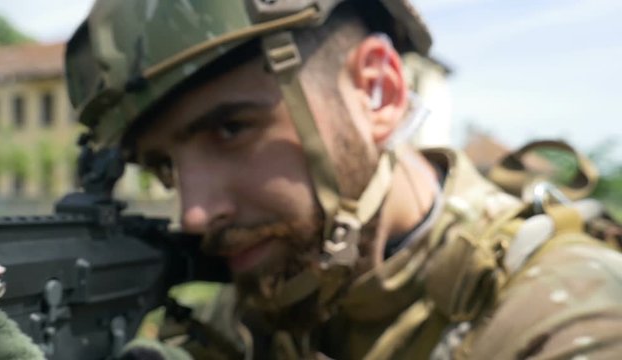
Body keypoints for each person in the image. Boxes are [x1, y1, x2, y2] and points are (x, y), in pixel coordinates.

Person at [65, 1, 622, 359]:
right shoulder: (250, 309)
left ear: (377, 92)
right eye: (165, 166)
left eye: (231, 128)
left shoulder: (569, 312)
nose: (193, 212)